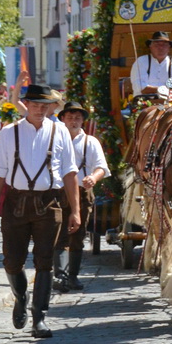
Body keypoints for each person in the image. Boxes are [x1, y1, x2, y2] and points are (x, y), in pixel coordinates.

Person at [0, 83, 81, 338]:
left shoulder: (60, 131)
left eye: (45, 105)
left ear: (51, 107)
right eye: (36, 104)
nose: (40, 109)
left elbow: (70, 173)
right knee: (12, 261)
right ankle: (20, 296)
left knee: (45, 262)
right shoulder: (8, 133)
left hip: (50, 203)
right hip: (15, 203)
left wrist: (76, 210)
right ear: (26, 104)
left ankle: (39, 317)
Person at [57, 101, 108, 293]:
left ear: (83, 121)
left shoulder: (91, 142)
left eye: (78, 117)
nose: (74, 121)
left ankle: (73, 276)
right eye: (70, 117)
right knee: (58, 232)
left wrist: (93, 178)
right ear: (62, 119)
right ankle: (59, 274)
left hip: (82, 191)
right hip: (58, 191)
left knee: (77, 234)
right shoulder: (56, 140)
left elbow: (102, 167)